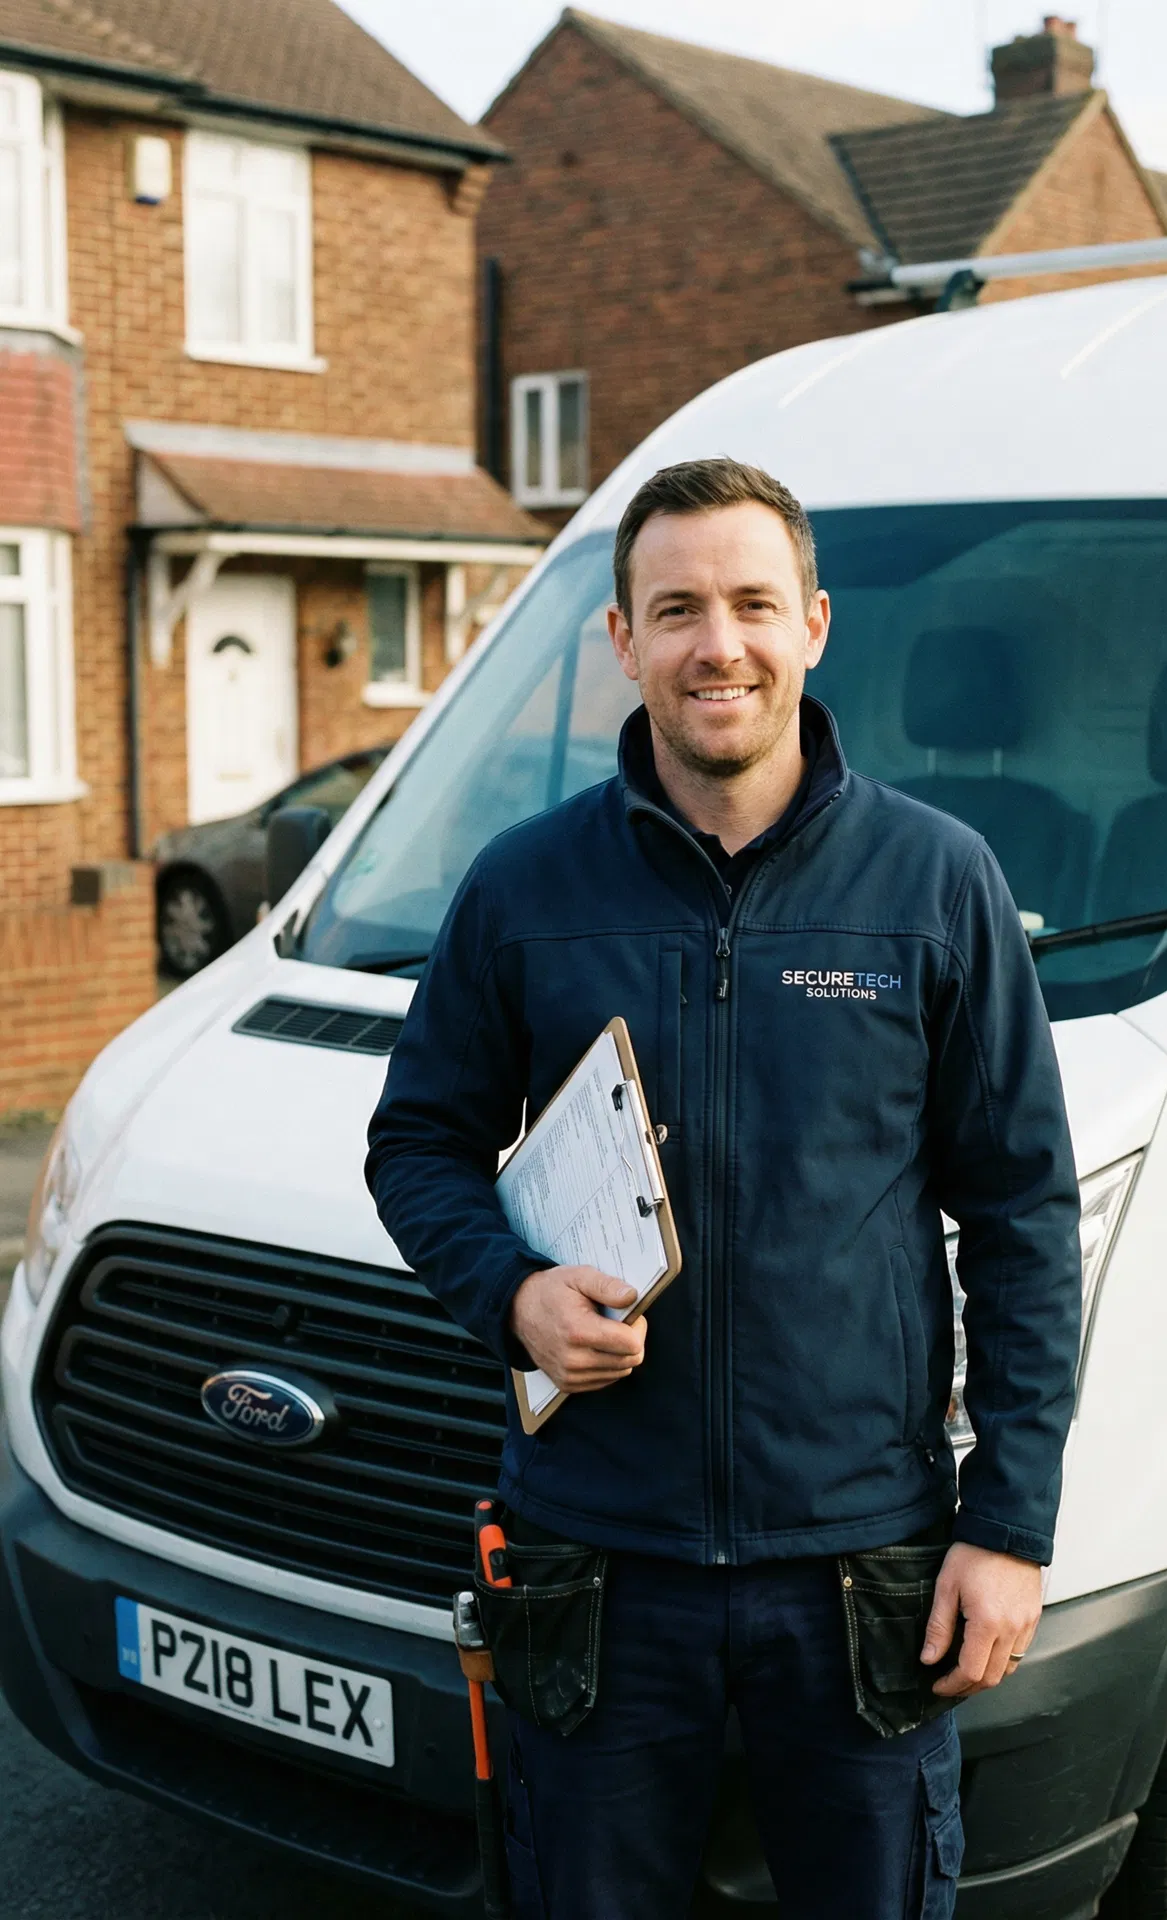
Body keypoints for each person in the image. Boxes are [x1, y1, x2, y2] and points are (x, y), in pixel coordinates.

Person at [366, 458, 1081, 1920]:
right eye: (675, 607)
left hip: (861, 1563)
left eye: (753, 602)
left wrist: (1007, 1527)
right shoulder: (522, 889)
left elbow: (1021, 1219)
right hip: (598, 1563)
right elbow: (416, 1145)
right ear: (620, 642)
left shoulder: (936, 883)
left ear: (814, 623)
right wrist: (509, 1293)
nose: (719, 643)